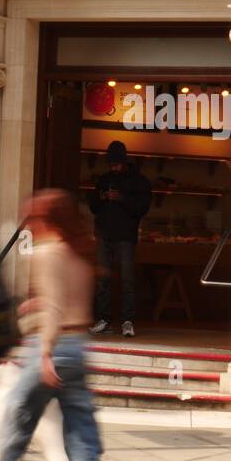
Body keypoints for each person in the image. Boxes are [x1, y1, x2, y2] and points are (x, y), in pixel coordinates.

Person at [0, 189, 104, 461]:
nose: (28, 225)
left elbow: (55, 308)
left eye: (31, 218)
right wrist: (41, 303)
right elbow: (66, 299)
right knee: (81, 428)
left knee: (18, 412)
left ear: (44, 219)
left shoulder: (45, 253)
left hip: (53, 346)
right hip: (79, 346)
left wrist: (45, 354)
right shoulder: (80, 253)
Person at [88, 140, 152, 337]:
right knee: (102, 279)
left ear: (124, 162)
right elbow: (93, 207)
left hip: (125, 236)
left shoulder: (139, 181)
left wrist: (121, 198)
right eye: (110, 164)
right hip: (104, 235)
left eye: (116, 164)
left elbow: (142, 208)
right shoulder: (104, 179)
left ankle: (127, 320)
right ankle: (104, 319)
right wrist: (102, 198)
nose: (113, 167)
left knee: (127, 280)